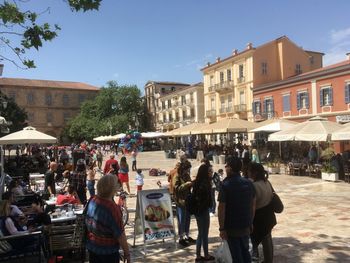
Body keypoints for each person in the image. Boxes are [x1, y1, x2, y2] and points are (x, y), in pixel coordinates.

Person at [218, 156, 256, 263]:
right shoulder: (249, 183)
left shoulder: (226, 185)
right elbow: (253, 205)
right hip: (245, 225)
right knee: (246, 252)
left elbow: (221, 208)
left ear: (230, 168)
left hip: (232, 227)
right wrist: (251, 222)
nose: (225, 168)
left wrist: (222, 228)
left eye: (227, 166)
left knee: (236, 256)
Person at [85, 174, 130, 263]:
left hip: (92, 246)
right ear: (112, 189)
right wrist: (127, 253)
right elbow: (120, 235)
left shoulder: (92, 199)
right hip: (107, 252)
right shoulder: (112, 208)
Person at [248, 163, 276, 263]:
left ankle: (259, 259)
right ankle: (269, 260)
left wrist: (250, 221)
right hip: (269, 215)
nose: (248, 172)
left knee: (254, 241)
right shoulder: (267, 182)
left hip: (259, 218)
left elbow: (252, 206)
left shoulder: (253, 186)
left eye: (249, 170)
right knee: (267, 239)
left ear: (254, 173)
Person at [192, 163, 215, 262]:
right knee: (204, 234)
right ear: (205, 172)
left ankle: (198, 255)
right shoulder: (204, 184)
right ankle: (205, 255)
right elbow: (205, 199)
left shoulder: (198, 182)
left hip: (198, 211)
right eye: (210, 171)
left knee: (201, 233)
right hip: (203, 211)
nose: (212, 173)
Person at [173, 156, 196, 247]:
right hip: (180, 201)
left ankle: (187, 235)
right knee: (181, 220)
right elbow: (176, 189)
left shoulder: (186, 175)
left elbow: (189, 185)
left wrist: (192, 183)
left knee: (187, 219)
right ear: (183, 169)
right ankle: (181, 237)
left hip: (187, 201)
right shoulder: (177, 176)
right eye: (187, 170)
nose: (188, 171)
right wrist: (186, 185)